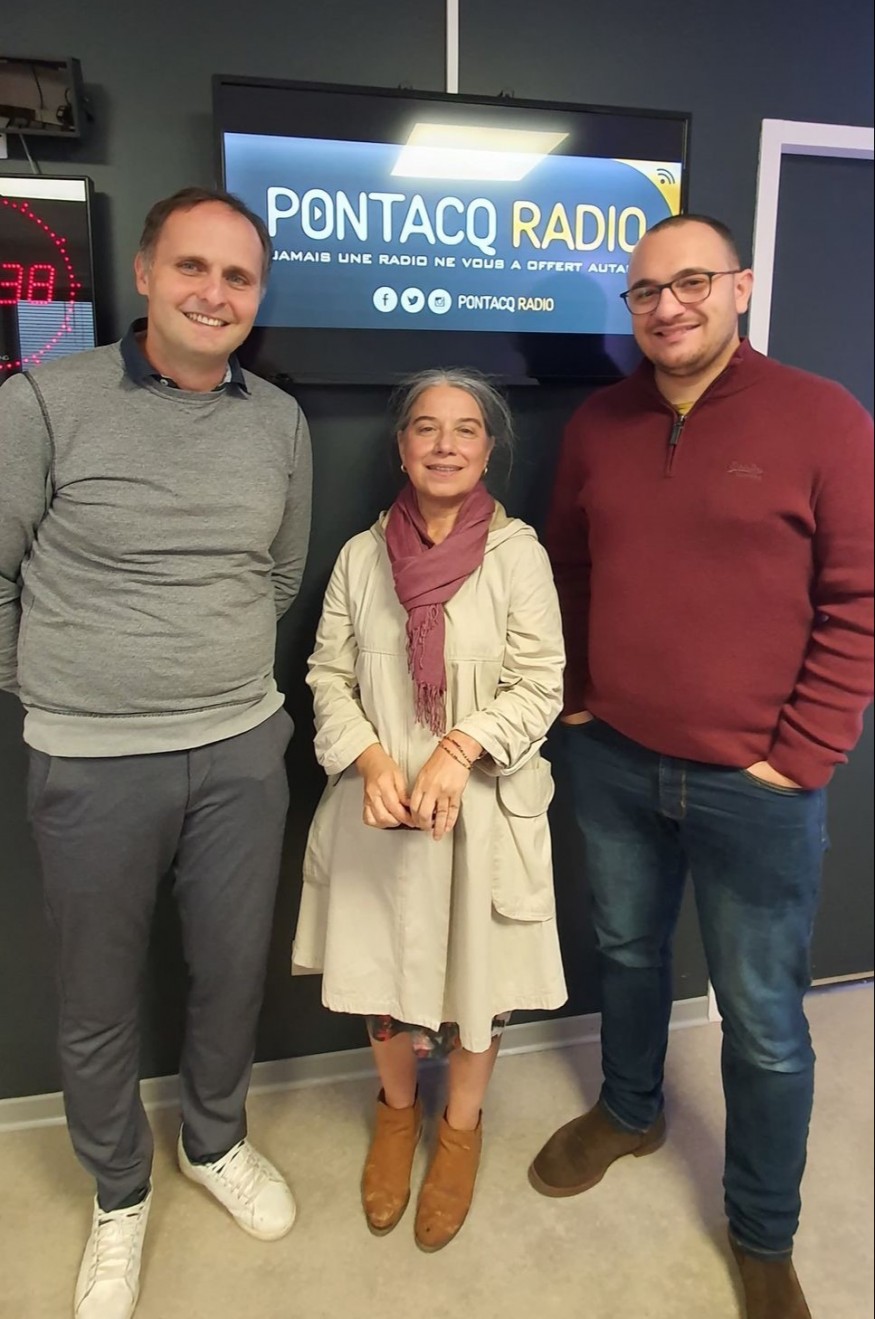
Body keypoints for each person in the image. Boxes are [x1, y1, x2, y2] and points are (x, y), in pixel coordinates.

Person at [531, 214, 873, 1319]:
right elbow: (568, 566)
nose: (666, 306)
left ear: (739, 286)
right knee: (626, 954)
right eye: (644, 291)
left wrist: (802, 751)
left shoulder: (822, 417)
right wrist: (578, 692)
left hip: (755, 787)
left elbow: (859, 598)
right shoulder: (598, 421)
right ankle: (629, 1111)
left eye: (690, 283)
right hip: (613, 759)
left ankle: (761, 1231)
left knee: (762, 1021)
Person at [0, 187, 312, 1319]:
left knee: (230, 973)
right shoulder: (44, 401)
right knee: (95, 998)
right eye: (192, 267)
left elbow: (280, 572)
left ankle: (213, 1140)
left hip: (240, 750)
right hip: (89, 758)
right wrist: (61, 684)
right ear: (143, 273)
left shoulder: (277, 420)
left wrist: (208, 674)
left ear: (256, 294)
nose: (213, 294)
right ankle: (119, 1192)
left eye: (237, 276)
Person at [293, 368, 567, 1251]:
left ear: (489, 450)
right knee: (380, 972)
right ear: (400, 447)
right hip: (381, 813)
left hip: (479, 811)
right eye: (425, 427)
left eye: (465, 429)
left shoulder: (517, 555)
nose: (444, 444)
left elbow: (541, 682)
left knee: (478, 981)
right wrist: (368, 757)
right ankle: (396, 1114)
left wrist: (459, 748)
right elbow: (327, 676)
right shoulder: (359, 557)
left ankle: (459, 1132)